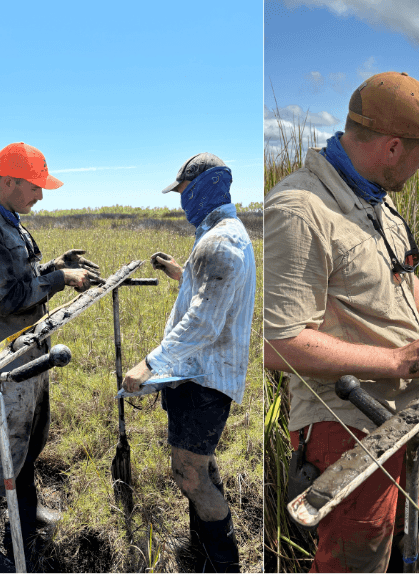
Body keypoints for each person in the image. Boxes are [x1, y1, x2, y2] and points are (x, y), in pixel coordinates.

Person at [264, 71, 419, 573]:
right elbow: (279, 344)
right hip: (351, 430)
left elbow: (403, 279)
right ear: (391, 147)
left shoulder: (375, 203)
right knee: (355, 560)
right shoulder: (300, 211)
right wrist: (398, 359)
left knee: (394, 542)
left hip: (405, 416)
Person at [0, 142, 100, 572]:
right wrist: (61, 278)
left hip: (31, 353)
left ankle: (25, 517)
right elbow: (7, 297)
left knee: (30, 443)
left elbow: (23, 275)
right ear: (10, 181)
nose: (41, 196)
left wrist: (55, 263)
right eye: (35, 187)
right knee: (3, 451)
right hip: (5, 366)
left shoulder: (10, 222)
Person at [122, 153, 255, 573]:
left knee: (189, 474)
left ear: (200, 190)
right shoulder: (218, 235)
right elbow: (213, 292)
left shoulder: (220, 241)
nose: (181, 201)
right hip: (196, 373)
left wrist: (149, 364)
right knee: (199, 466)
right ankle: (202, 550)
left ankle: (222, 564)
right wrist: (182, 273)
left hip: (202, 378)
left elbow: (204, 321)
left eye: (182, 192)